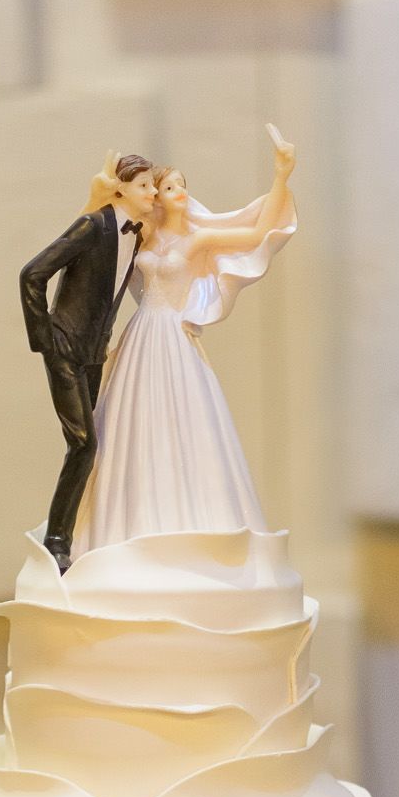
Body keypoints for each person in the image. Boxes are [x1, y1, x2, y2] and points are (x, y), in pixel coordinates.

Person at [72, 123, 296, 558]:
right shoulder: (139, 235)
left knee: (183, 419)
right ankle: (127, 523)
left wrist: (281, 176)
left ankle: (185, 520)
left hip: (174, 335)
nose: (177, 191)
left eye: (181, 185)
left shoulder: (199, 238)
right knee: (131, 421)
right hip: (141, 337)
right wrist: (101, 190)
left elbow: (255, 234)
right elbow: (89, 231)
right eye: (169, 185)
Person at [18, 153, 159, 572]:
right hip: (64, 348)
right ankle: (57, 541)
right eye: (144, 186)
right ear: (121, 189)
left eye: (154, 185)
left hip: (95, 351)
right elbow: (32, 273)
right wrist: (45, 340)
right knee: (84, 443)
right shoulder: (93, 225)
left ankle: (84, 529)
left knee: (90, 445)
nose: (152, 192)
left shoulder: (136, 234)